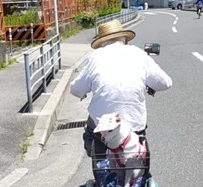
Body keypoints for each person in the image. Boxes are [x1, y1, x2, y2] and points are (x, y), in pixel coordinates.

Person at [70, 19, 172, 158]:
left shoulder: (95, 57)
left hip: (103, 127)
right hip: (135, 126)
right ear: (124, 38)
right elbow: (165, 83)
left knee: (90, 133)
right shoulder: (138, 53)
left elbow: (76, 90)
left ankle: (99, 162)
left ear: (102, 42)